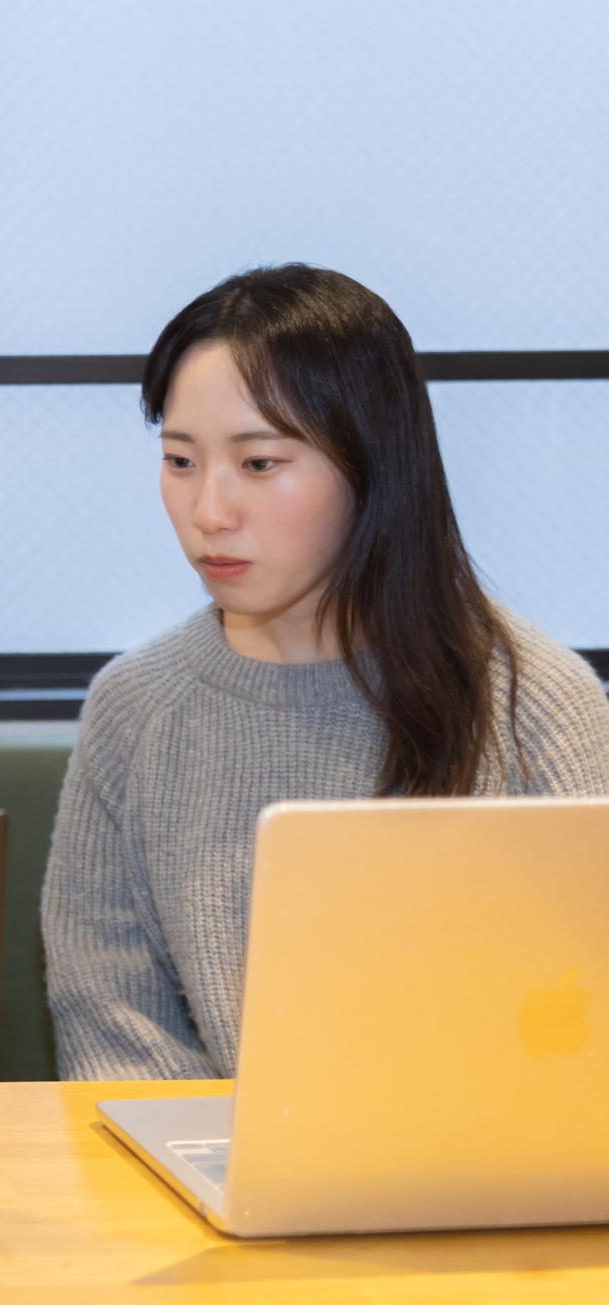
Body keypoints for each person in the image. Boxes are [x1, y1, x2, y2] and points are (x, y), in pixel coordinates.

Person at [41, 264, 609, 1080]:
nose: (209, 512)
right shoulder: (135, 709)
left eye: (259, 463)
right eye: (181, 460)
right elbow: (113, 1027)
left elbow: (581, 1025)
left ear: (372, 464)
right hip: (200, 1159)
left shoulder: (533, 703)